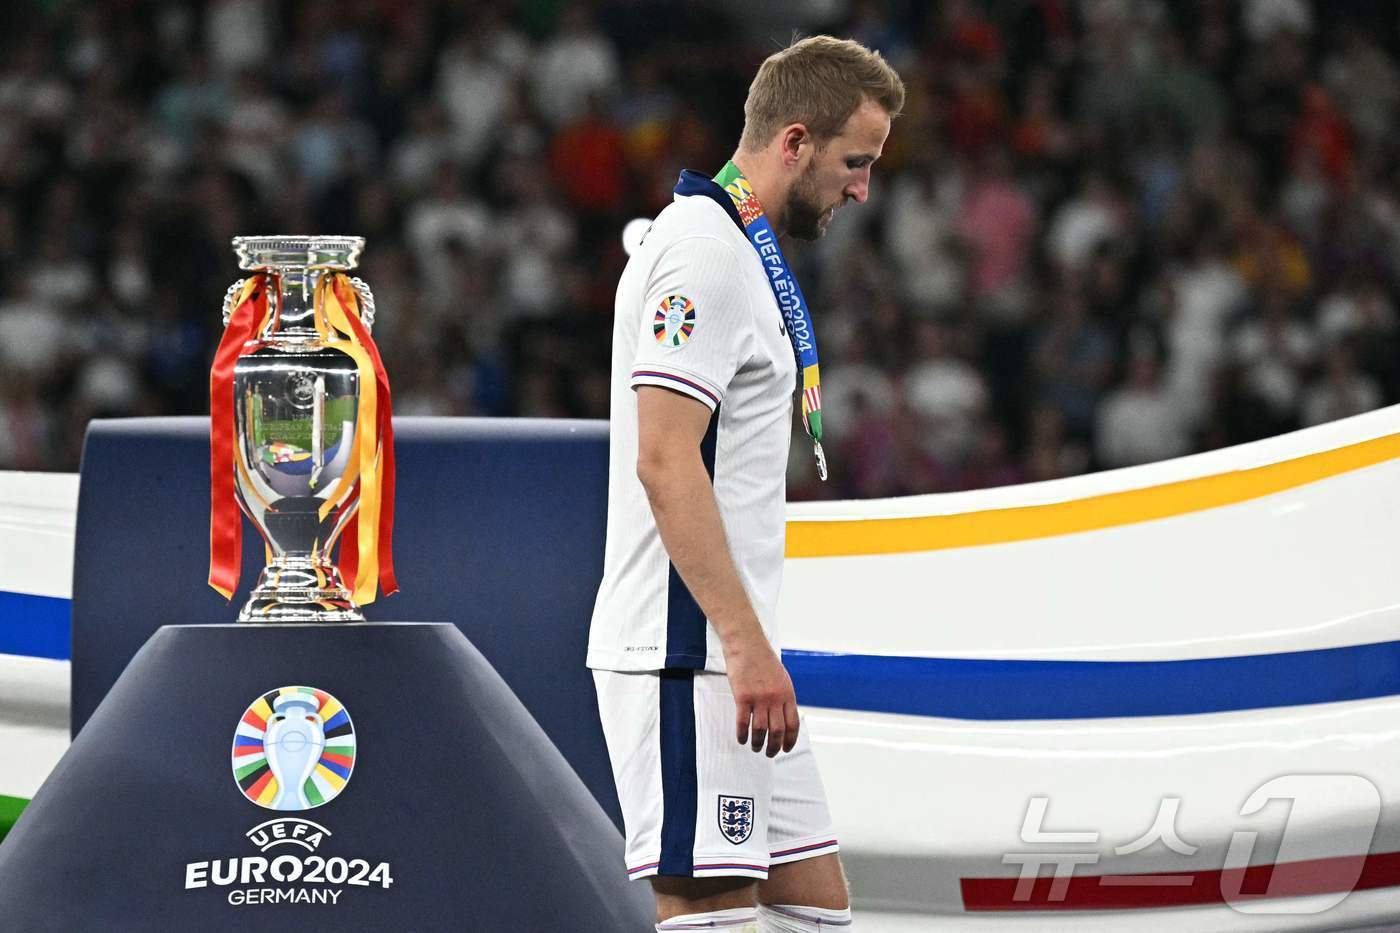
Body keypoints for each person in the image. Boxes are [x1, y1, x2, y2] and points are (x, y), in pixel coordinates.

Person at [587, 35, 904, 932]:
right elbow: (663, 456)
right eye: (856, 162)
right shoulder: (705, 256)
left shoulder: (733, 245)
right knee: (710, 911)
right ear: (794, 141)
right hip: (685, 651)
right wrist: (741, 643)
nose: (862, 188)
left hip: (726, 653)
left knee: (816, 910)